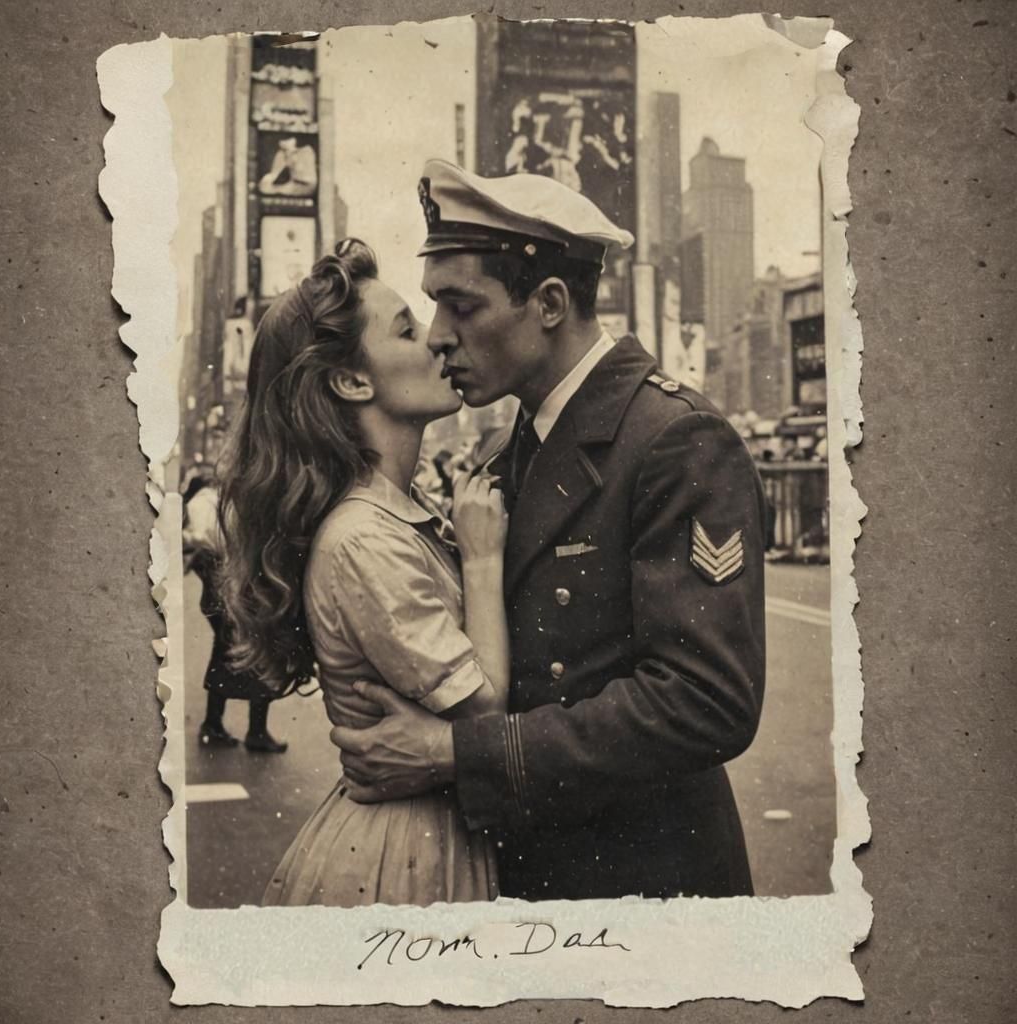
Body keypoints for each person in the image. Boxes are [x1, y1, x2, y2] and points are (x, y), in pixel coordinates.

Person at [331, 160, 767, 901]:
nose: (438, 337)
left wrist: (456, 752)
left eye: (461, 307)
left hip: (646, 890)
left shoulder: (673, 438)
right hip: (535, 878)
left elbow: (707, 700)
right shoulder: (512, 454)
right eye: (433, 309)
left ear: (551, 303)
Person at [218, 239, 510, 906]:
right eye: (408, 328)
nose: (440, 340)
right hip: (405, 860)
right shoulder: (360, 540)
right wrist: (484, 560)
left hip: (427, 834)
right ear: (351, 381)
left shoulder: (398, 512)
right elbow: (485, 706)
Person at [181, 468, 288, 753]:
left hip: (226, 593)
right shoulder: (229, 505)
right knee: (257, 654)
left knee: (229, 654)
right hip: (236, 593)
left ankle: (217, 725)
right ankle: (252, 731)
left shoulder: (219, 502)